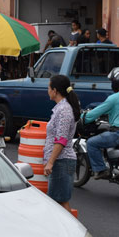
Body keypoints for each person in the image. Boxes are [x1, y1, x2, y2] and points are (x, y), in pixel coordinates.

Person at [44, 75, 81, 211]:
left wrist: (51, 162)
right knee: (58, 204)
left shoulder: (64, 110)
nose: (47, 91)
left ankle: (72, 231)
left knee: (59, 204)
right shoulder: (61, 108)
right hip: (60, 161)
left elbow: (62, 139)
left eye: (48, 88)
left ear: (55, 91)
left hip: (62, 161)